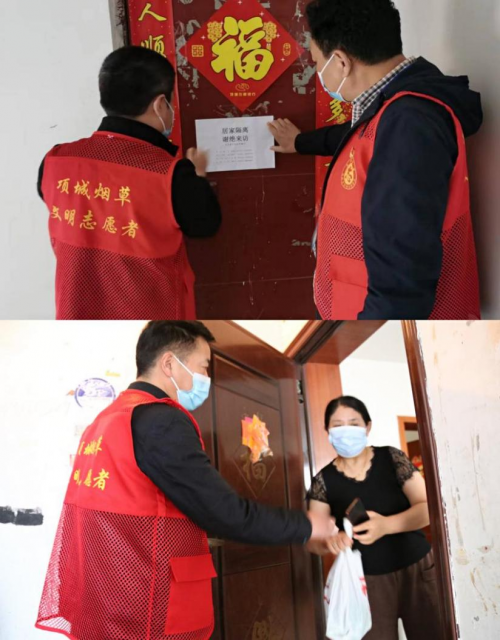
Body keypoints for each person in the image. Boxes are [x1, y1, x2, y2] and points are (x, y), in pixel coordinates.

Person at [36, 321, 337, 640]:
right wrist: (307, 525)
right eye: (203, 367)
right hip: (147, 607)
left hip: (106, 599)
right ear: (169, 363)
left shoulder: (105, 420)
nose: (207, 378)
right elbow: (224, 513)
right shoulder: (161, 420)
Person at [269, 0, 482, 321]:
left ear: (340, 61)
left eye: (317, 63)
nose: (318, 74)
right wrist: (300, 142)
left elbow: (401, 278)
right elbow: (356, 135)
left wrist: (367, 337)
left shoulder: (410, 123)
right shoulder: (394, 109)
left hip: (375, 316)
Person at [37, 47, 221, 320]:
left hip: (75, 313)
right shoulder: (171, 174)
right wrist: (199, 177)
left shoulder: (55, 160)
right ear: (160, 104)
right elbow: (205, 225)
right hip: (153, 314)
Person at [307, 396, 442, 640]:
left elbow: (428, 509)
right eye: (337, 425)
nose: (345, 431)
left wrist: (386, 525)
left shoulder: (392, 459)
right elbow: (313, 540)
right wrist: (329, 541)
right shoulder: (322, 481)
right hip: (366, 582)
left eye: (353, 423)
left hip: (418, 569)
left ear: (367, 427)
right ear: (327, 431)